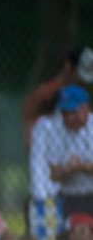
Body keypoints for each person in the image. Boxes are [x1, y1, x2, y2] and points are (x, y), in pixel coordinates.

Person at [32, 86, 93, 216]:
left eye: (73, 112)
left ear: (85, 108)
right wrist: (68, 169)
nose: (69, 117)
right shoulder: (55, 130)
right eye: (65, 112)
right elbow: (54, 175)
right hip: (68, 196)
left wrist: (82, 166)